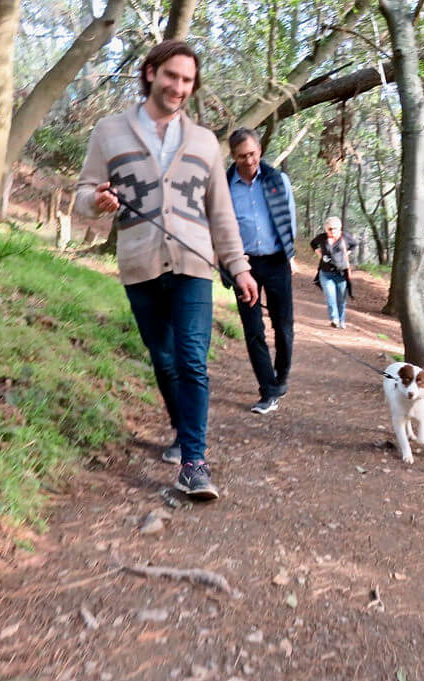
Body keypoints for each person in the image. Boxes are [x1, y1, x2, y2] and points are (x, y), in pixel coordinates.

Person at [75, 40, 258, 501]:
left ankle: (195, 462)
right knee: (164, 358)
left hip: (194, 263)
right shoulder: (109, 132)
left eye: (188, 80)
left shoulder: (204, 143)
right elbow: (81, 195)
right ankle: (181, 428)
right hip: (139, 264)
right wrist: (97, 202)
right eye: (172, 76)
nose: (179, 87)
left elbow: (221, 213)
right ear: (151, 73)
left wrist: (239, 268)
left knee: (193, 360)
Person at [226, 128, 297, 415]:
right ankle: (267, 390)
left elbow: (289, 218)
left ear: (260, 151)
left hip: (277, 261)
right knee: (253, 328)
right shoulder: (223, 186)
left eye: (253, 153)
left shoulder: (278, 179)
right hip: (244, 265)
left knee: (284, 325)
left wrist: (291, 255)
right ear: (233, 156)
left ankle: (281, 377)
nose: (249, 160)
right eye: (242, 156)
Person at [311, 217, 358, 329]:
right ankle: (334, 319)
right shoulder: (322, 238)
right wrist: (319, 253)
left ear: (340, 228)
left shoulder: (345, 237)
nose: (332, 231)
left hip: (341, 273)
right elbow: (313, 243)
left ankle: (341, 320)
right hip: (325, 273)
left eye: (334, 228)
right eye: (329, 229)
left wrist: (347, 253)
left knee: (341, 299)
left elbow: (354, 244)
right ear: (326, 229)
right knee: (330, 296)